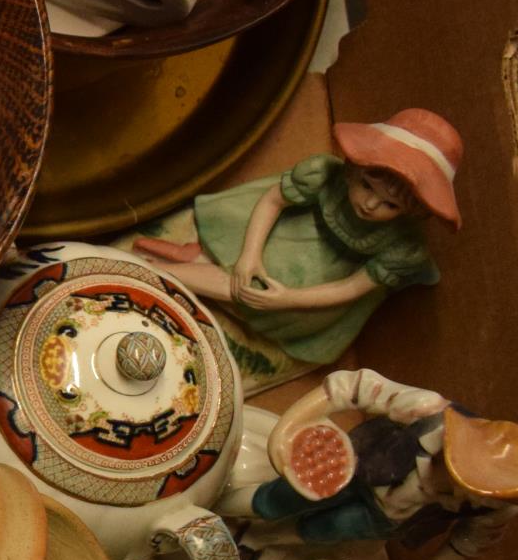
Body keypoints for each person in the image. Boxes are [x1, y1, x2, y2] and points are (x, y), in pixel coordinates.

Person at [132, 109, 458, 370]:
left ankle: (163, 272)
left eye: (391, 204)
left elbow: (351, 289)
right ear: (354, 169)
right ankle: (188, 262)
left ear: (413, 211)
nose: (370, 204)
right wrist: (249, 255)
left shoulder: (403, 246)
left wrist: (287, 298)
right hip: (296, 229)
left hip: (325, 282)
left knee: (258, 291)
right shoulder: (325, 176)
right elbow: (274, 201)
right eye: (367, 186)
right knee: (248, 264)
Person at [224, 368, 518, 560]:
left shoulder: (498, 505)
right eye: (478, 488)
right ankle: (220, 505)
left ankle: (259, 541)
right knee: (279, 499)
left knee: (324, 530)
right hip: (352, 470)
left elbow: (467, 543)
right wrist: (287, 427)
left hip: (383, 519)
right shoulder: (426, 410)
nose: (481, 501)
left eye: (493, 495)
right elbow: (351, 386)